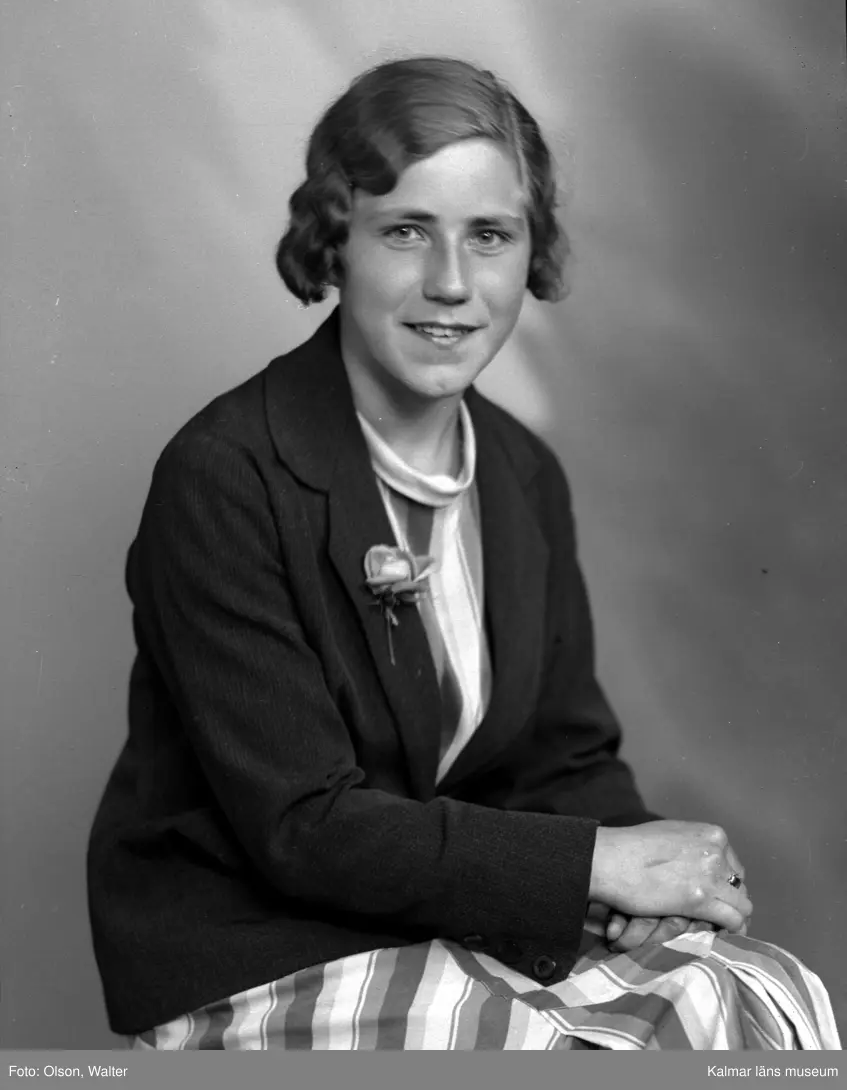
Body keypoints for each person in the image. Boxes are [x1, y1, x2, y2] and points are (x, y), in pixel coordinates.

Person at [87, 56, 839, 1050]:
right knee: (566, 1053)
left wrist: (647, 887)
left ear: (531, 253)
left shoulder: (521, 473)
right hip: (260, 947)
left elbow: (564, 759)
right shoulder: (227, 473)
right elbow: (304, 827)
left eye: (489, 235)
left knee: (754, 994)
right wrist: (593, 867)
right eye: (406, 230)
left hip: (446, 921)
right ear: (335, 242)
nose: (450, 283)